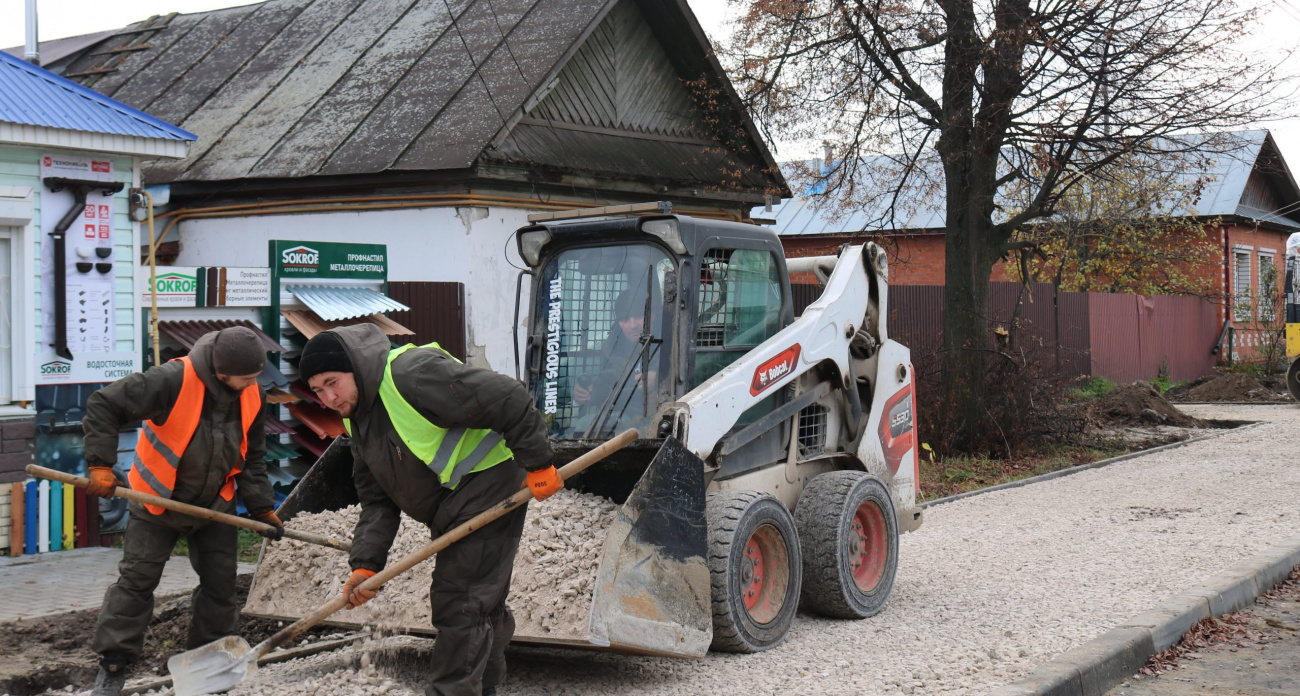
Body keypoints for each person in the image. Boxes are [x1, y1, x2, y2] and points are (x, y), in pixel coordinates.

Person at [300, 325, 558, 696]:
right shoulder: (356, 416)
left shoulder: (412, 374)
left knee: (461, 603)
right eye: (317, 391)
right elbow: (377, 499)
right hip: (449, 506)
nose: (328, 397)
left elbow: (506, 396)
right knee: (479, 603)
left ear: (354, 367)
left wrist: (539, 462)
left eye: (332, 382)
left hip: (489, 485)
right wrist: (365, 563)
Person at [81, 327, 282, 696]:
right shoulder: (173, 379)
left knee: (221, 588)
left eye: (257, 375)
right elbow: (104, 403)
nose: (255, 383)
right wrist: (100, 465)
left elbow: (252, 457)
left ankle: (209, 667)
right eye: (248, 376)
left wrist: (262, 508)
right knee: (137, 582)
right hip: (156, 501)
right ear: (222, 371)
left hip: (214, 506)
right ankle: (112, 666)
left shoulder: (252, 394)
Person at [571, 287, 660, 428]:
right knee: (584, 426)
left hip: (659, 418)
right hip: (623, 415)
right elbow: (608, 381)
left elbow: (700, 372)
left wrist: (660, 379)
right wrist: (586, 391)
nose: (632, 325)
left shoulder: (669, 339)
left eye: (637, 316)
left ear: (652, 315)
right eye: (624, 319)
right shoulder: (612, 347)